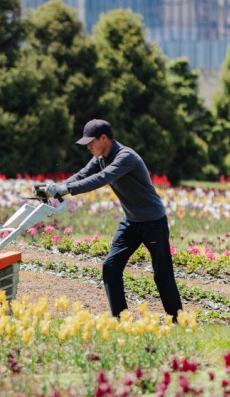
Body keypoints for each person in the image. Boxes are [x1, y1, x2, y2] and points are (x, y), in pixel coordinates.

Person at [44, 119, 183, 321]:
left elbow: (103, 178)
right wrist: (60, 186)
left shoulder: (125, 156)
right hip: (132, 221)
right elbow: (83, 174)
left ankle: (179, 321)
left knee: (162, 274)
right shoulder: (100, 157)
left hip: (153, 221)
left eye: (91, 142)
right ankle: (121, 319)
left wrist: (66, 189)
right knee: (110, 267)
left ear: (104, 138)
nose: (88, 147)